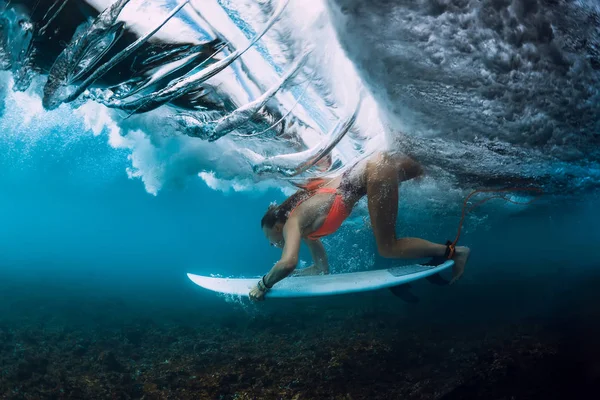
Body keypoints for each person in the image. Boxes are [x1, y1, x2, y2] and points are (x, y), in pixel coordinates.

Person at [250, 151, 470, 301]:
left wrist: (263, 285)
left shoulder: (292, 223)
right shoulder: (307, 230)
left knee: (388, 247)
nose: (272, 244)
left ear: (277, 227)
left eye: (269, 239)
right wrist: (295, 276)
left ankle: (456, 252)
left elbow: (287, 262)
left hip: (376, 169)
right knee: (447, 171)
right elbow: (321, 269)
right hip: (378, 165)